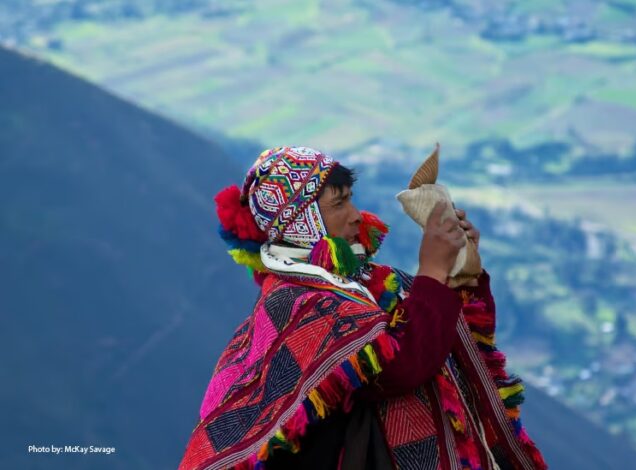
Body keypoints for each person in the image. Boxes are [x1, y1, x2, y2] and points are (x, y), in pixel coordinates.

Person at [179, 147, 546, 470]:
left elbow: (444, 332)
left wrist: (457, 268)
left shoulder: (366, 284)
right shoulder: (298, 302)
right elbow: (401, 369)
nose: (356, 215)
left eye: (351, 199)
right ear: (301, 221)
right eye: (339, 204)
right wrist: (432, 270)